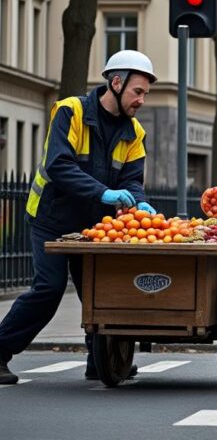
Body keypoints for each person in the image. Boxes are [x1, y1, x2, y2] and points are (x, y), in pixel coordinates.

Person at [0, 50, 157, 385]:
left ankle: (99, 361)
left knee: (102, 292)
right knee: (49, 289)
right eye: (137, 92)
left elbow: (132, 178)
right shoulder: (70, 111)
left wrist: (139, 202)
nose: (142, 100)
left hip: (93, 226)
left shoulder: (135, 133)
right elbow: (59, 165)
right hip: (51, 218)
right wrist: (104, 193)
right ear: (116, 83)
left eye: (145, 93)